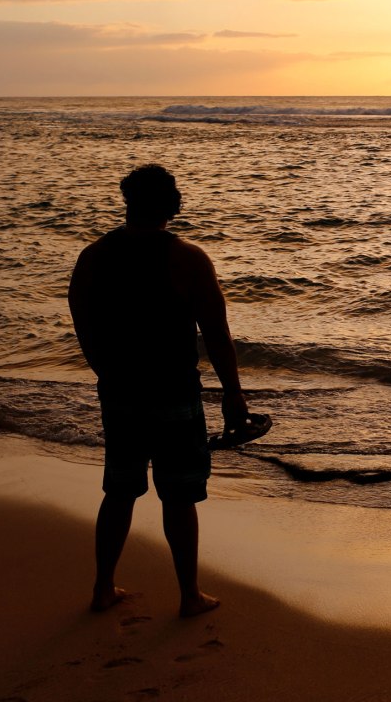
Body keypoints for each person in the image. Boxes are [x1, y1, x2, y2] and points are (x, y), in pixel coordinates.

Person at [69, 163, 263, 617]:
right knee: (179, 494)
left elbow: (81, 316)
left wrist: (102, 367)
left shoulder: (95, 255)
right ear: (172, 205)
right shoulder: (188, 258)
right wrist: (232, 393)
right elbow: (216, 332)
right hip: (175, 392)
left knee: (119, 489)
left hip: (119, 390)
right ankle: (189, 595)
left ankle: (102, 588)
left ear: (128, 202)